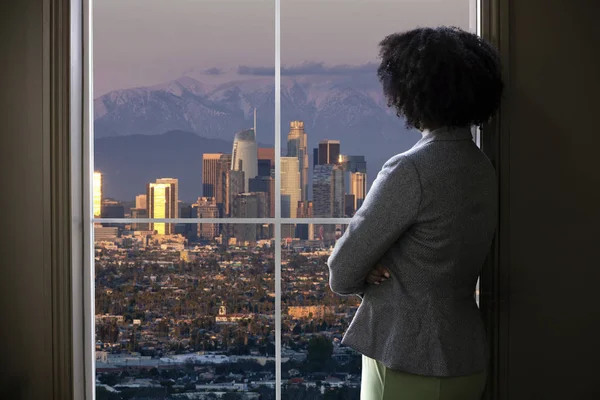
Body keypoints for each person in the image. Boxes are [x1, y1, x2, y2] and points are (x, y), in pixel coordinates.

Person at [327, 26, 503, 400]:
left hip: (406, 355)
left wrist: (371, 266)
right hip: (466, 356)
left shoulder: (410, 170)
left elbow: (341, 272)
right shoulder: (481, 166)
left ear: (409, 92)